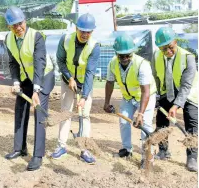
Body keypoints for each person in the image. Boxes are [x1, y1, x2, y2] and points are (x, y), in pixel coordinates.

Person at [4, 6, 55, 171]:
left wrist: (36, 90)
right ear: (9, 27)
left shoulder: (37, 36)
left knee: (39, 112)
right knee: (20, 109)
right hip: (26, 77)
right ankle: (20, 148)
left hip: (44, 77)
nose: (18, 28)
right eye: (14, 25)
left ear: (25, 21)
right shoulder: (9, 39)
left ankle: (38, 155)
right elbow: (13, 63)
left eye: (20, 23)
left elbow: (40, 63)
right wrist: (16, 82)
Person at [51, 14, 100, 164]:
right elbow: (60, 60)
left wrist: (84, 96)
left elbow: (90, 72)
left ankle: (84, 150)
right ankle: (61, 147)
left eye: (88, 32)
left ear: (92, 31)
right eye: (82, 31)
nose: (85, 34)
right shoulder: (65, 39)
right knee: (66, 113)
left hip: (85, 83)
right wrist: (69, 78)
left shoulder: (94, 46)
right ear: (76, 28)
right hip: (68, 81)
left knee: (84, 115)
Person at [103, 33, 157, 168]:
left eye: (128, 55)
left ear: (133, 52)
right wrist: (106, 102)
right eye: (121, 55)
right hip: (128, 97)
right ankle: (127, 150)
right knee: (123, 121)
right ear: (116, 53)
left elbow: (146, 91)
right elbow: (109, 82)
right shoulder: (112, 63)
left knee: (146, 125)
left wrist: (140, 113)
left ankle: (147, 156)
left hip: (145, 97)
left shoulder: (142, 64)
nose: (125, 58)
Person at [152, 27, 198, 172]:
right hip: (168, 92)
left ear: (175, 42)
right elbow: (156, 79)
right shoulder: (156, 56)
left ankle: (192, 157)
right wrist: (158, 96)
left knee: (192, 122)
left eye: (170, 47)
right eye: (163, 49)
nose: (167, 52)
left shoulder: (188, 57)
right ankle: (163, 151)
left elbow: (186, 86)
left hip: (189, 93)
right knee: (161, 121)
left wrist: (177, 105)